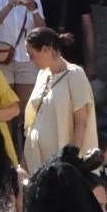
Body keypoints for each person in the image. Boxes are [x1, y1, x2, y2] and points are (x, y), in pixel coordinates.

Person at [20, 26, 96, 165]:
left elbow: (81, 122)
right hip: (35, 160)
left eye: (32, 55)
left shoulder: (75, 74)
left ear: (46, 50)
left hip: (61, 163)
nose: (30, 60)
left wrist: (72, 160)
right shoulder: (42, 74)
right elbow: (33, 121)